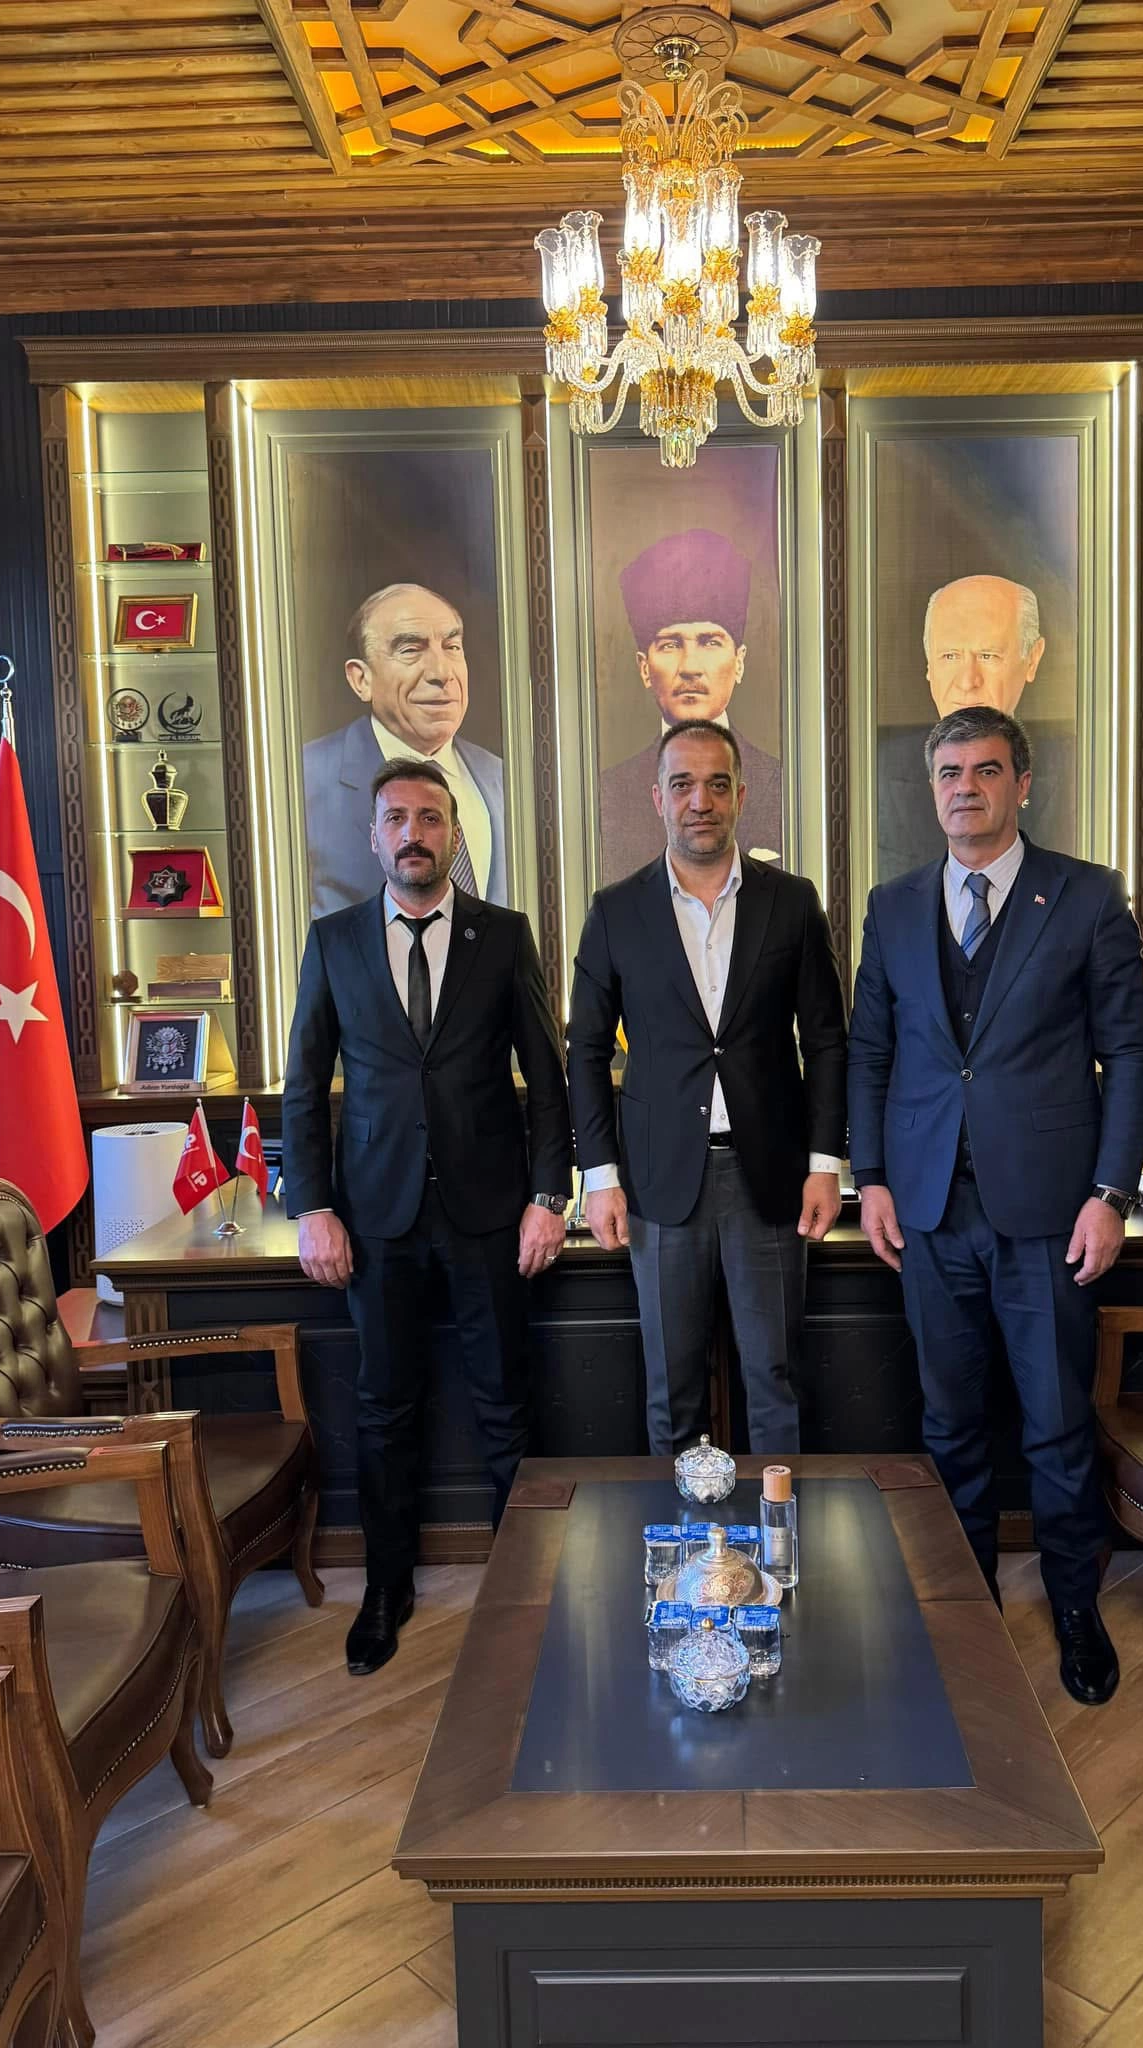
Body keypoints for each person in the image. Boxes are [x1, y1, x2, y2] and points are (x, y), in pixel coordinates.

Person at [848, 704, 1143, 1707]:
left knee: (1057, 1427)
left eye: (985, 770)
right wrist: (873, 1177)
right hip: (929, 1213)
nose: (965, 788)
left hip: (1050, 1216)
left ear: (1022, 783)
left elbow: (1129, 1053)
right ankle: (964, 1610)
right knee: (949, 1427)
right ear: (931, 788)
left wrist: (1110, 1193)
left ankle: (1076, 1611)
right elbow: (871, 1052)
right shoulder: (893, 906)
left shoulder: (1088, 896)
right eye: (950, 772)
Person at [281, 757, 570, 1676]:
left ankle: (527, 1588)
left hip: (490, 1212)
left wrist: (548, 1196)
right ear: (374, 837)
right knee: (383, 1408)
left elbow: (548, 1080)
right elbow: (304, 1086)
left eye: (431, 818)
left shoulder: (504, 935)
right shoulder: (334, 941)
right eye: (398, 818)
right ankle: (386, 1589)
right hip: (376, 1218)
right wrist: (312, 1207)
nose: (414, 833)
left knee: (505, 1404)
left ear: (453, 834)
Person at [568, 719, 848, 1455]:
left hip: (772, 1179)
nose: (701, 801)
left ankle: (780, 1527)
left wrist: (825, 1164)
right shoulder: (615, 910)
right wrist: (599, 1176)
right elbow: (586, 1051)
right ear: (657, 797)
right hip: (658, 1182)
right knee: (672, 1391)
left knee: (775, 1382)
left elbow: (826, 1041)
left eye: (717, 785)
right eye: (684, 785)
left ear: (741, 797)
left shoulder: (792, 902)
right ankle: (682, 1533)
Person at [303, 583, 508, 919]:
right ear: (361, 679)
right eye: (411, 649)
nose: (442, 673)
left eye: (452, 647)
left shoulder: (503, 778)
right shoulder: (303, 780)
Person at [598, 529, 784, 880]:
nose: (690, 667)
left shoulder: (784, 786)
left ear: (739, 661)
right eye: (670, 645)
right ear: (644, 667)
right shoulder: (606, 796)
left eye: (710, 642)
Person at [876, 574, 1078, 879]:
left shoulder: (1078, 769)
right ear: (929, 664)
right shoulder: (880, 772)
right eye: (950, 656)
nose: (968, 681)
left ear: (1032, 659)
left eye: (988, 655)